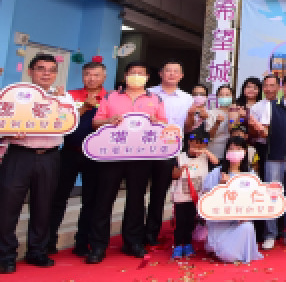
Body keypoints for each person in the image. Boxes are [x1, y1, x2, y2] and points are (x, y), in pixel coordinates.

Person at [86, 61, 167, 264]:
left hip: (140, 157)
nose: (136, 76)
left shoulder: (155, 99)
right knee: (104, 200)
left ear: (147, 78)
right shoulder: (111, 97)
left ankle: (133, 242)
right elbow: (95, 122)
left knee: (136, 200)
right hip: (112, 155)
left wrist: (156, 123)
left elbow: (164, 125)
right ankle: (98, 246)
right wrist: (108, 121)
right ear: (125, 76)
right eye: (133, 73)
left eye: (141, 73)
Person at [0, 54, 73, 273]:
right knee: (7, 207)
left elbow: (69, 124)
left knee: (43, 206)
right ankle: (5, 255)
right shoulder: (13, 96)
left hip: (50, 156)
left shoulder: (64, 97)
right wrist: (8, 133)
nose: (46, 74)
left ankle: (37, 251)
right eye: (41, 69)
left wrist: (60, 103)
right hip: (19, 155)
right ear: (30, 71)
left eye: (51, 70)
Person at [48, 60, 107, 257]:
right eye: (87, 74)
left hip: (96, 156)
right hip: (69, 152)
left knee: (91, 200)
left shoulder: (110, 98)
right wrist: (82, 109)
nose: (91, 78)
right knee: (58, 197)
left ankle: (82, 242)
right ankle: (48, 241)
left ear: (104, 77)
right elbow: (61, 121)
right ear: (82, 76)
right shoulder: (69, 96)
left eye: (96, 75)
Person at [249, 73, 286, 250]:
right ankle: (270, 234)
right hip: (273, 157)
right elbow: (266, 132)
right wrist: (259, 128)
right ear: (282, 88)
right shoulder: (272, 106)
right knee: (271, 195)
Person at [147, 60, 193, 246]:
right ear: (161, 73)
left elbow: (188, 128)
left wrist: (192, 116)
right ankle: (134, 232)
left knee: (159, 193)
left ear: (181, 76)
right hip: (146, 147)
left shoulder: (187, 98)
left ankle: (151, 233)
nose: (172, 74)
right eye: (168, 71)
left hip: (171, 149)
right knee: (137, 191)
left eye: (176, 71)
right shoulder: (148, 93)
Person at [201, 136, 263, 263]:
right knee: (227, 255)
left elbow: (256, 200)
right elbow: (205, 200)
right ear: (226, 151)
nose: (234, 152)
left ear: (245, 152)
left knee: (247, 227)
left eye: (238, 149)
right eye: (231, 149)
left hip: (239, 222)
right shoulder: (217, 173)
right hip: (220, 224)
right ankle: (217, 247)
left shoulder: (250, 175)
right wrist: (221, 186)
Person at [170, 126, 219, 259]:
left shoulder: (204, 157)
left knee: (191, 221)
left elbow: (216, 162)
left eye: (200, 145)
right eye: (194, 144)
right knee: (180, 222)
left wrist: (205, 151)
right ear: (189, 142)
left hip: (197, 197)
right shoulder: (180, 157)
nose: (196, 148)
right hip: (181, 197)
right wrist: (181, 170)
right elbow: (173, 175)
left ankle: (188, 244)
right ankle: (177, 246)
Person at [248, 74, 282, 243]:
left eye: (272, 85)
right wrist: (257, 129)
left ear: (278, 87)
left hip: (281, 148)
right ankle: (263, 229)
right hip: (262, 149)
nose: (269, 89)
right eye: (266, 86)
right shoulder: (256, 107)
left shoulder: (284, 105)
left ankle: (281, 228)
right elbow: (252, 134)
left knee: (280, 187)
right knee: (264, 187)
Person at [187, 85, 227, 152]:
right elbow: (186, 129)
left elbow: (210, 136)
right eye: (195, 94)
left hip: (203, 149)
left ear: (207, 97)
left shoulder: (210, 113)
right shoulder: (186, 110)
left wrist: (208, 119)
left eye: (202, 94)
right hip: (187, 147)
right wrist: (190, 115)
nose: (199, 97)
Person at [209, 85, 235, 159]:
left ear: (232, 97)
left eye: (227, 95)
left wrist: (237, 118)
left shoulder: (237, 112)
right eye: (221, 95)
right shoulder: (211, 113)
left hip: (232, 152)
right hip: (214, 152)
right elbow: (209, 136)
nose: (224, 97)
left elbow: (236, 128)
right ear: (217, 97)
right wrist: (217, 123)